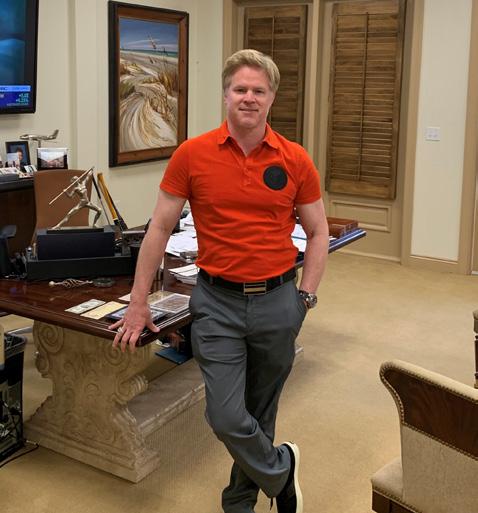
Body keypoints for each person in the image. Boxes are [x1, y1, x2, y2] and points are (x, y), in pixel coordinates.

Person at [110, 49, 329, 513]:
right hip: (216, 303)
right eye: (240, 89)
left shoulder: (295, 159)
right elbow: (159, 228)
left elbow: (317, 232)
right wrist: (138, 301)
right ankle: (282, 469)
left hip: (278, 300)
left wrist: (305, 297)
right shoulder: (192, 154)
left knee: (261, 409)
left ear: (271, 98)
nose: (249, 98)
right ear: (226, 95)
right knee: (226, 415)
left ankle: (239, 502)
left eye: (258, 91)